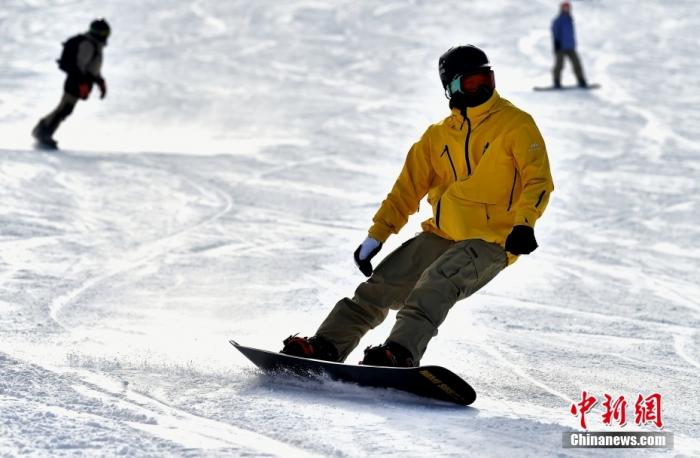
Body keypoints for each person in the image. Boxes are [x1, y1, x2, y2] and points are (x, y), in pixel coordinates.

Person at [281, 45, 554, 367]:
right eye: (471, 83)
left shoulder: (516, 124)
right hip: (442, 234)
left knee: (435, 285)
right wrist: (377, 236)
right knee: (379, 287)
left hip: (493, 240)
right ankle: (326, 345)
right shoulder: (436, 137)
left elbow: (538, 180)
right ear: (451, 87)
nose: (482, 89)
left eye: (487, 80)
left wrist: (524, 224)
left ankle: (399, 352)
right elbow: (405, 190)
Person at [32, 18, 110, 149]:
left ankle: (43, 131)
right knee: (64, 108)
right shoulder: (88, 44)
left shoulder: (95, 45)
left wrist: (100, 82)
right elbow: (79, 66)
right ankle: (42, 133)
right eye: (104, 33)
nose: (106, 36)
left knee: (66, 108)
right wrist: (82, 83)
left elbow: (93, 68)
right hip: (76, 81)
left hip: (82, 81)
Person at [551, 1, 587, 88]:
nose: (566, 9)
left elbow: (570, 34)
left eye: (567, 7)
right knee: (559, 65)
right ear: (561, 8)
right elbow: (555, 31)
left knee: (576, 63)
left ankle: (581, 81)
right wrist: (556, 43)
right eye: (565, 7)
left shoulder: (570, 19)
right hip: (560, 47)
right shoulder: (558, 20)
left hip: (570, 46)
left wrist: (573, 43)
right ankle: (556, 82)